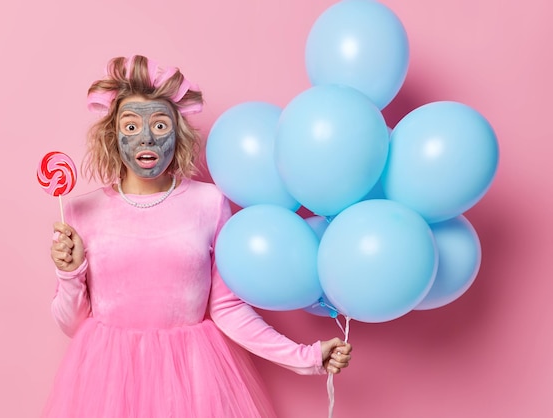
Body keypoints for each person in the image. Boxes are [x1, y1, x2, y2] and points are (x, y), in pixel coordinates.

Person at [43, 54, 352, 418]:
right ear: (113, 136)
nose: (146, 138)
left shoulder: (209, 202)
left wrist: (307, 356)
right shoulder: (80, 212)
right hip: (106, 385)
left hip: (193, 381)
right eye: (130, 126)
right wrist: (71, 272)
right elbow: (71, 324)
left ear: (178, 132)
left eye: (160, 125)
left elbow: (227, 308)